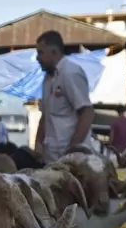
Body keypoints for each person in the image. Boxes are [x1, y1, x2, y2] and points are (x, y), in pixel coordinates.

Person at [33, 31, 94, 162]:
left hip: (74, 159)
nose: (37, 58)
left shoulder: (70, 72)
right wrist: (38, 143)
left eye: (40, 53)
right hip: (52, 157)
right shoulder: (47, 78)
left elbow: (87, 113)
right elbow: (45, 115)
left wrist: (72, 149)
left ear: (54, 52)